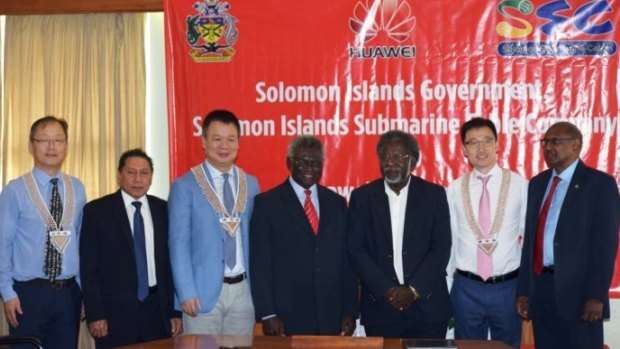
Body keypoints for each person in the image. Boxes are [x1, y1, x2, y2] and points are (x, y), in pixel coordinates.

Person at [516, 121, 619, 349]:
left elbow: (605, 246)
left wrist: (596, 295)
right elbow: (530, 243)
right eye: (545, 142)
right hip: (541, 292)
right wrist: (524, 290)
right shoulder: (537, 183)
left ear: (575, 145)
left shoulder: (600, 184)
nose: (548, 147)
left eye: (556, 141)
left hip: (580, 296)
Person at [348, 130, 452, 338]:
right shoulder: (362, 198)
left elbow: (441, 248)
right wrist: (388, 290)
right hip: (381, 307)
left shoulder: (434, 195)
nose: (391, 162)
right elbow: (356, 249)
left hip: (427, 306)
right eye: (385, 157)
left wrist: (413, 290)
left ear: (412, 161)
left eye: (398, 156)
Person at [250, 136, 358, 336]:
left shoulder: (337, 204)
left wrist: (349, 310)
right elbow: (260, 264)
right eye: (303, 162)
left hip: (330, 313)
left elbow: (346, 262)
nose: (310, 167)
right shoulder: (267, 204)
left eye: (316, 163)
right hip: (286, 315)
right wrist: (267, 313)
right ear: (289, 163)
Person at [168, 109, 260, 335]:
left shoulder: (251, 184)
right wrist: (185, 292)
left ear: (239, 144)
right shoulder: (184, 186)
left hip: (243, 293)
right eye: (216, 139)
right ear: (204, 142)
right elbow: (177, 243)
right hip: (200, 294)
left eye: (231, 139)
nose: (224, 146)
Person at [80, 149, 182, 348]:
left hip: (156, 312)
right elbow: (89, 269)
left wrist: (175, 312)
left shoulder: (163, 209)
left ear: (151, 177)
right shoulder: (97, 211)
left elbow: (170, 265)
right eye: (131, 172)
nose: (138, 179)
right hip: (113, 315)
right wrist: (96, 314)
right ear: (119, 175)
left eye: (144, 173)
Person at [0, 116, 87, 349]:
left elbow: (80, 241)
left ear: (66, 146)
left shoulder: (77, 188)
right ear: (31, 145)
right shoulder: (14, 190)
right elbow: (2, 244)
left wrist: (82, 289)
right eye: (44, 140)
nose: (51, 146)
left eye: (58, 140)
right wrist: (7, 292)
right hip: (28, 294)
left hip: (69, 294)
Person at [446, 118, 527, 348]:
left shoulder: (520, 185)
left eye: (487, 141)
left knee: (509, 345)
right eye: (473, 143)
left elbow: (529, 238)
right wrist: (450, 283)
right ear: (464, 149)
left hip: (508, 287)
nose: (480, 149)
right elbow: (450, 241)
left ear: (498, 144)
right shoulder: (453, 189)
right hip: (466, 287)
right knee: (466, 346)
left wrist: (525, 288)